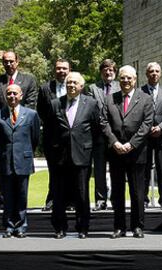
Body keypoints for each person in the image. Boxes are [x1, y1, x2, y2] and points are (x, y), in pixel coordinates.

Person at [101, 65, 154, 239]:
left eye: (129, 78)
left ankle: (138, 227)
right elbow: (103, 122)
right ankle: (119, 227)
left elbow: (147, 125)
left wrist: (131, 144)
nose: (125, 81)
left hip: (137, 153)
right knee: (117, 192)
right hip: (116, 152)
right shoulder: (110, 99)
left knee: (138, 192)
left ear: (135, 79)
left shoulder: (145, 99)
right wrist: (114, 142)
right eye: (122, 78)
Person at [48, 72, 100, 239]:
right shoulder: (56, 103)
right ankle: (60, 227)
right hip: (60, 156)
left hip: (82, 154)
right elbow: (49, 133)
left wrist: (91, 151)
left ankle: (83, 227)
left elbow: (96, 130)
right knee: (59, 193)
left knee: (82, 193)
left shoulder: (91, 104)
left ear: (81, 86)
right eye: (69, 82)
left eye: (74, 83)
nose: (70, 85)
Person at [0, 51, 37, 210]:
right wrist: (5, 119)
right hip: (2, 128)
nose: (8, 64)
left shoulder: (29, 80)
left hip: (22, 129)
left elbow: (31, 104)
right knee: (3, 168)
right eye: (5, 61)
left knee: (20, 178)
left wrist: (18, 118)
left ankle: (19, 212)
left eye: (11, 61)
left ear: (17, 62)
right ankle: (1, 201)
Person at [0, 84, 40, 238]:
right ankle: (8, 226)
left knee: (22, 195)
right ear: (5, 96)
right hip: (6, 161)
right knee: (7, 196)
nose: (12, 96)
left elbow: (35, 138)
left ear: (21, 95)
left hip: (23, 160)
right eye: (9, 93)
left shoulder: (31, 115)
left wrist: (25, 152)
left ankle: (21, 226)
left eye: (15, 93)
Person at [36, 58, 71, 211]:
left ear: (69, 70)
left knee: (71, 170)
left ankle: (71, 202)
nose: (61, 71)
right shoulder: (45, 88)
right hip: (52, 137)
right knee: (54, 171)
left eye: (64, 68)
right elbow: (41, 111)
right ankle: (52, 200)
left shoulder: (75, 86)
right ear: (54, 70)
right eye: (58, 68)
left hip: (71, 137)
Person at [87, 59, 120, 211]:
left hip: (116, 136)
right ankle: (100, 200)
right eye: (105, 70)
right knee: (99, 169)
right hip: (98, 136)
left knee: (116, 170)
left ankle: (116, 199)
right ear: (101, 72)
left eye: (111, 70)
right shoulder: (93, 88)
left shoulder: (121, 87)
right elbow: (90, 110)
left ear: (115, 71)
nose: (108, 72)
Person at [141, 62, 162, 209]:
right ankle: (144, 198)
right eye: (151, 71)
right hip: (144, 137)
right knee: (144, 169)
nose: (154, 74)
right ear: (146, 74)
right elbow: (137, 114)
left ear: (160, 74)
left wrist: (161, 127)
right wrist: (147, 129)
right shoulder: (139, 92)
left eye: (157, 71)